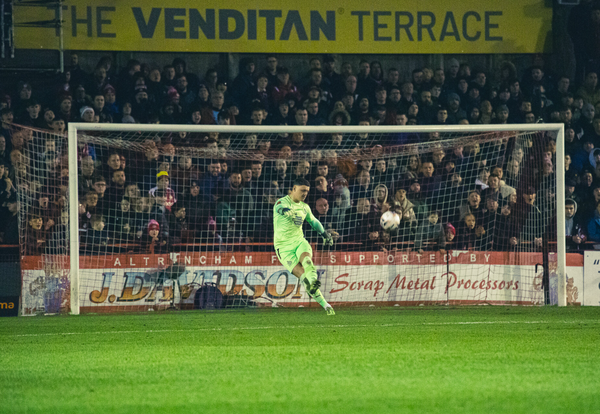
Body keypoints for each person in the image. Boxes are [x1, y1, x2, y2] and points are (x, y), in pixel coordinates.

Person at [273, 178, 335, 315]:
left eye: (307, 191)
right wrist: (288, 213)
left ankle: (314, 283)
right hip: (283, 248)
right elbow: (280, 209)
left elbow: (314, 222)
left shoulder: (304, 207)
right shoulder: (281, 202)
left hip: (299, 241)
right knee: (302, 276)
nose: (305, 194)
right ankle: (325, 305)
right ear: (294, 189)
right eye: (302, 190)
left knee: (307, 260)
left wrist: (325, 234)